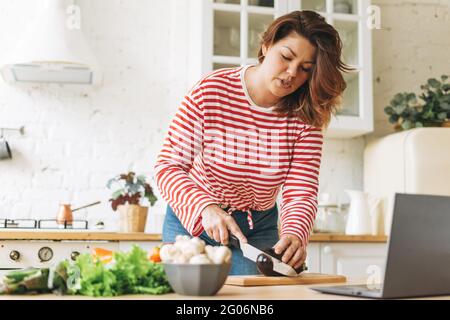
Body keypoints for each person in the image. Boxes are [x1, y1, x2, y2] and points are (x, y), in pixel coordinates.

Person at [154, 10, 351, 275]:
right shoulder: (210, 92)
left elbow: (300, 190)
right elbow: (168, 166)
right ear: (266, 45)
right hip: (194, 220)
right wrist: (205, 208)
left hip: (257, 227)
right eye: (286, 57)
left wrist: (295, 233)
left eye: (305, 69)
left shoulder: (307, 115)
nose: (292, 73)